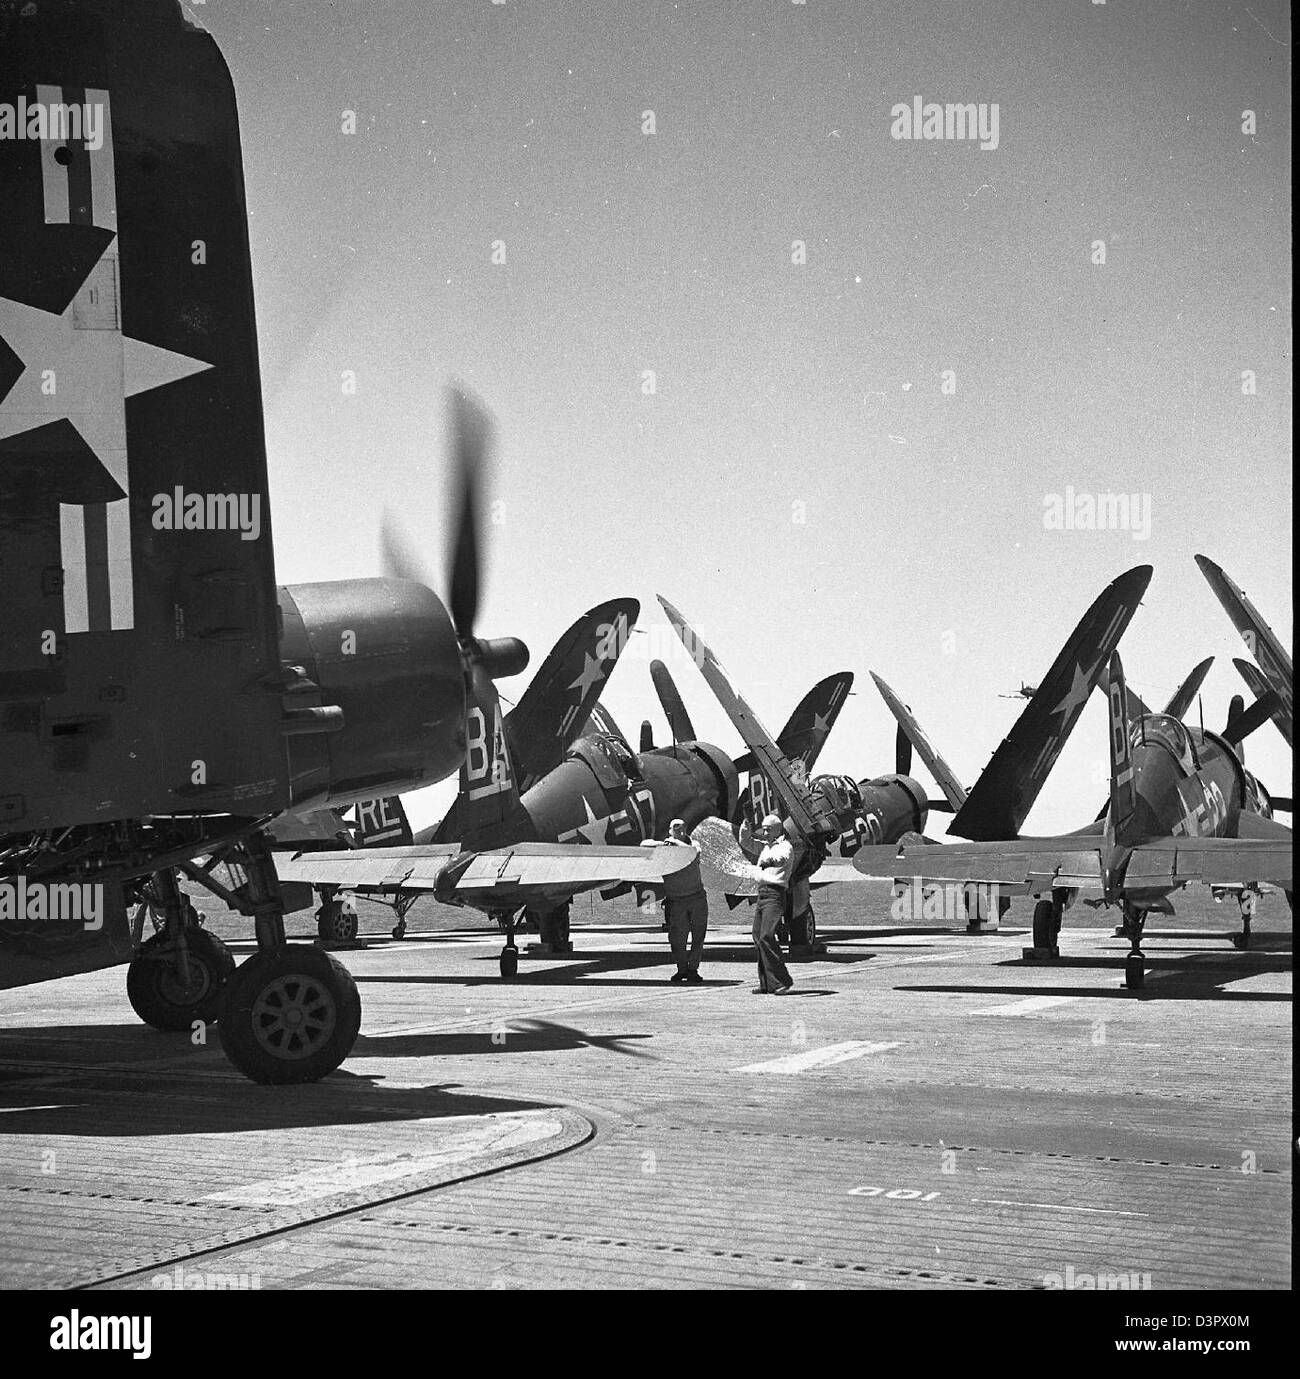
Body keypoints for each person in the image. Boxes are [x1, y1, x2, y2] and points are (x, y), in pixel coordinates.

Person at [749, 813, 795, 994]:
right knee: (757, 936)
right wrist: (745, 832)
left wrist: (770, 861)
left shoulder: (784, 846)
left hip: (774, 894)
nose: (765, 832)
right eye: (763, 829)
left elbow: (782, 858)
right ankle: (767, 983)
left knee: (766, 936)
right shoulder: (766, 847)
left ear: (778, 829)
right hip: (762, 893)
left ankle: (783, 981)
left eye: (768, 829)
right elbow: (749, 843)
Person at [658, 818, 708, 984]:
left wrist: (674, 841)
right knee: (677, 939)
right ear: (669, 830)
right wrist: (665, 843)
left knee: (697, 937)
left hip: (696, 898)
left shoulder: (694, 844)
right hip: (677, 901)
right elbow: (644, 843)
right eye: (675, 828)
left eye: (682, 827)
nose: (679, 830)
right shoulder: (665, 848)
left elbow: (693, 853)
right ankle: (681, 969)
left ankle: (693, 969)